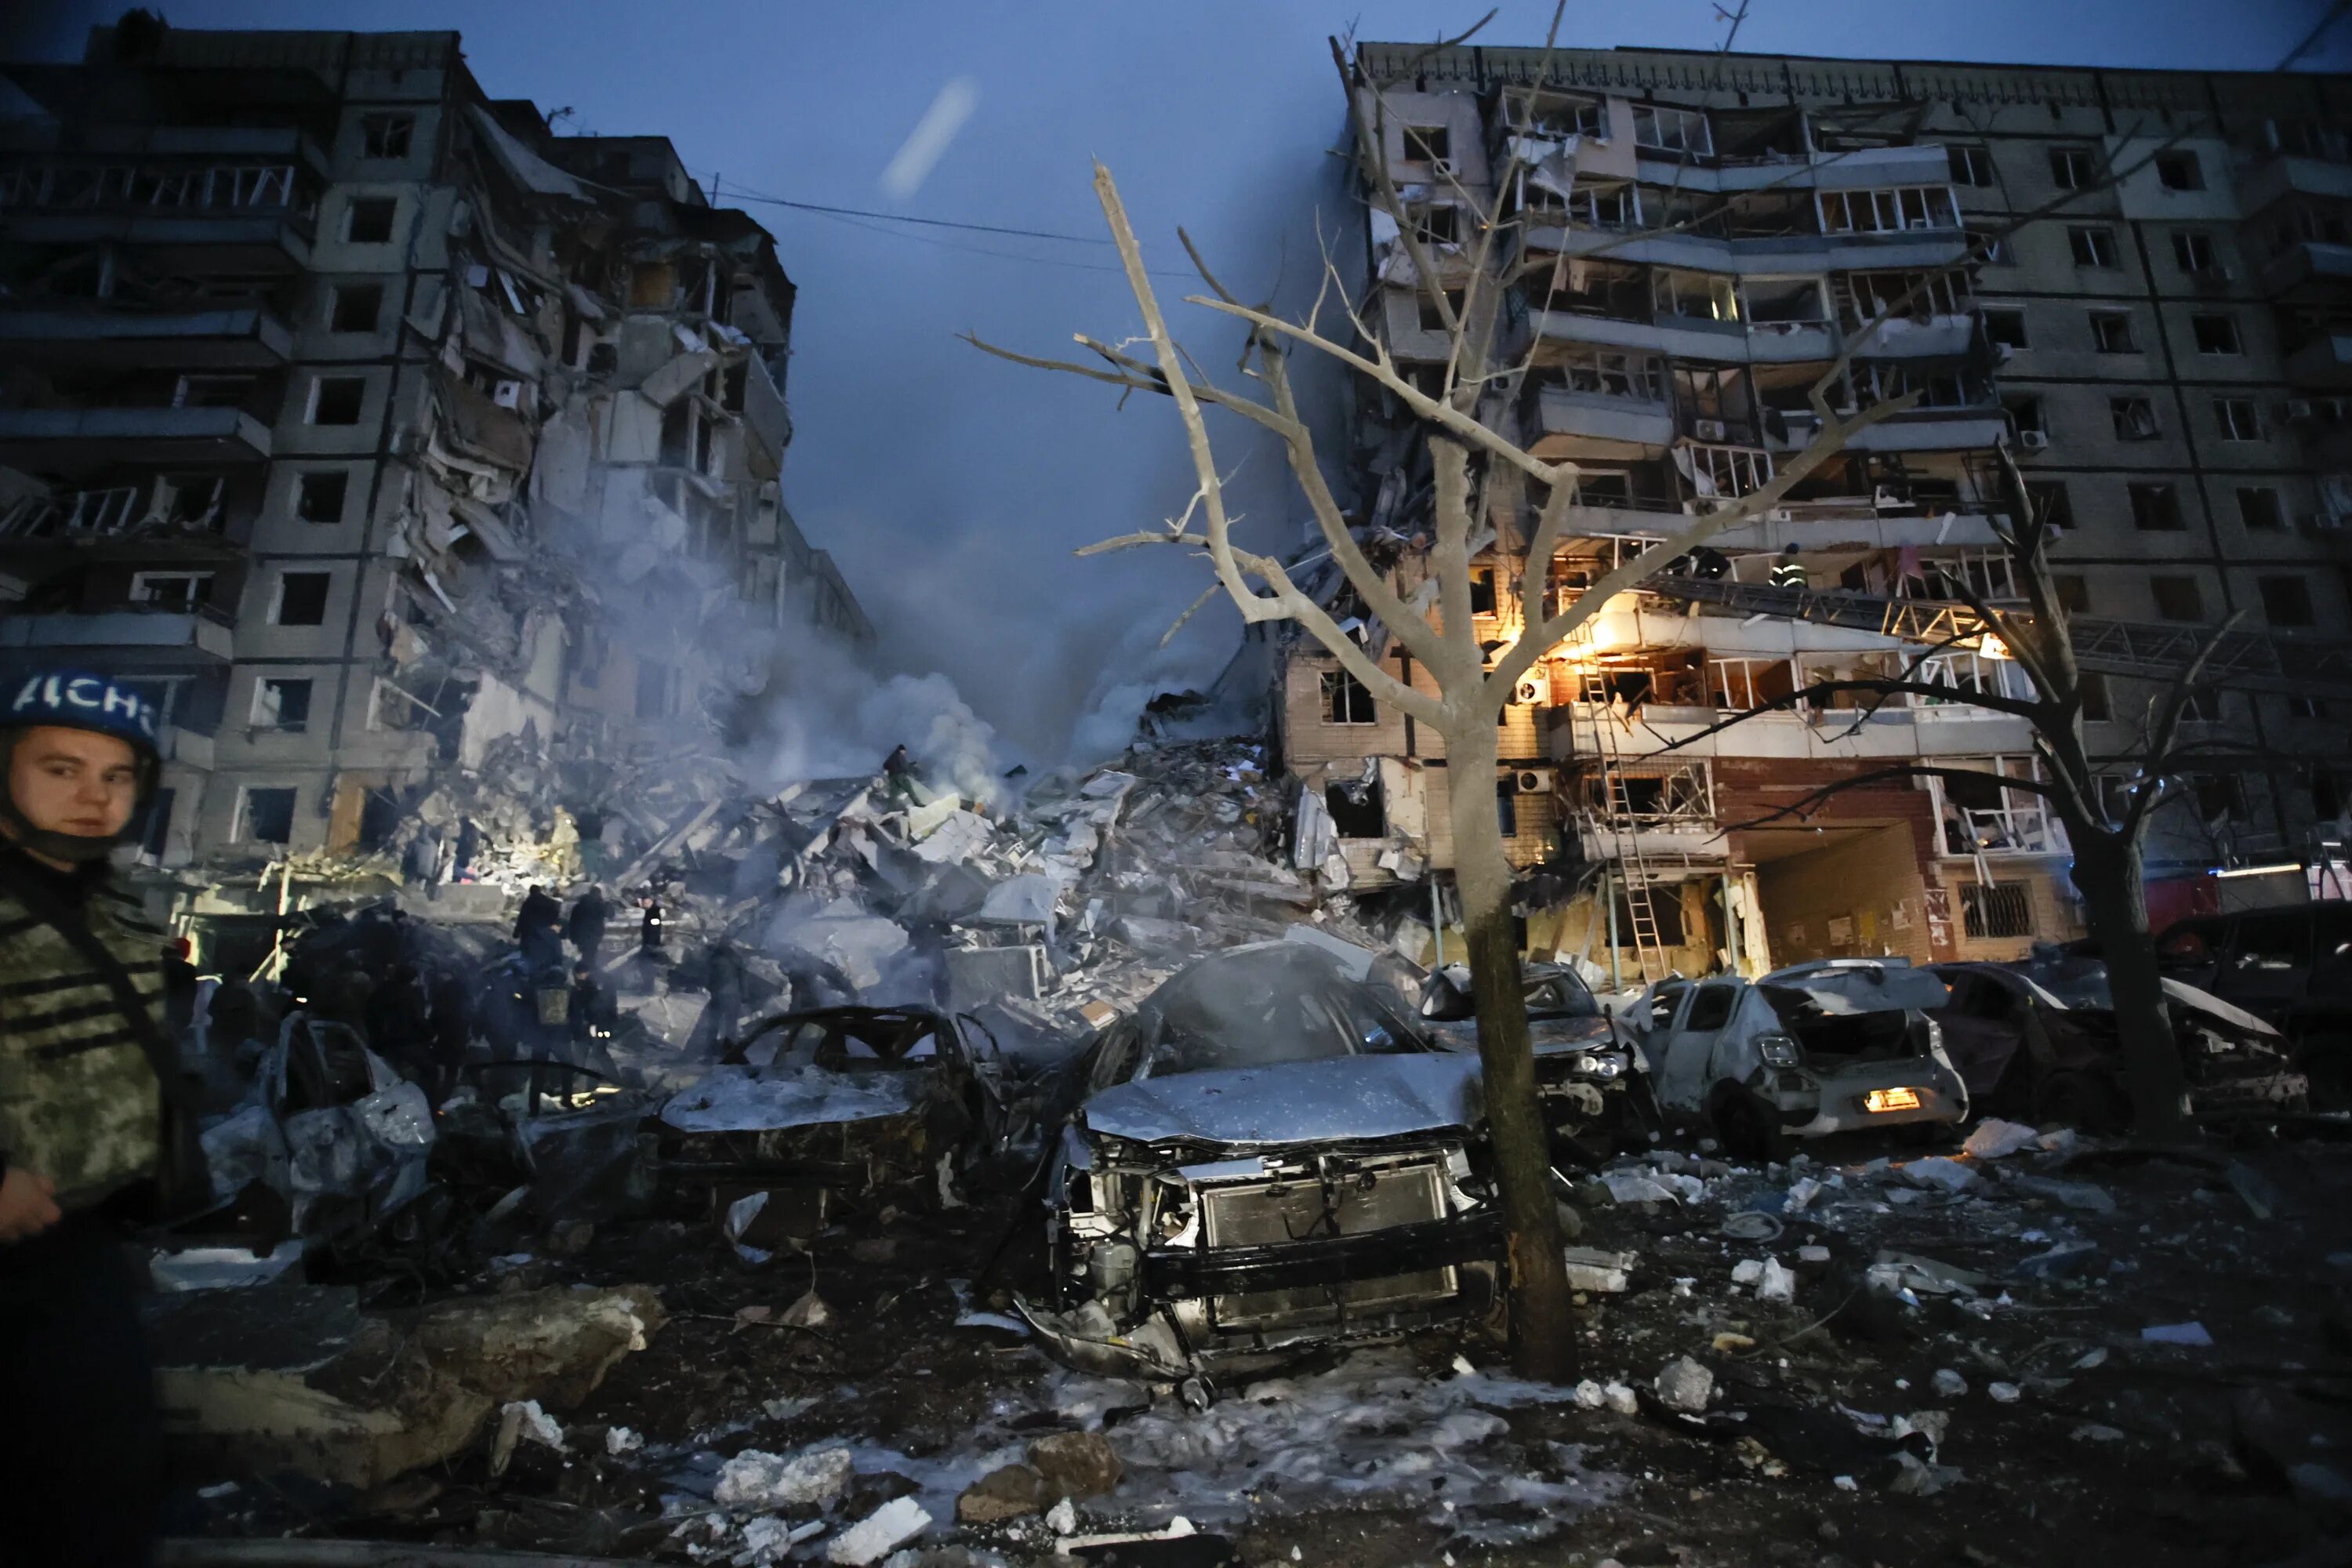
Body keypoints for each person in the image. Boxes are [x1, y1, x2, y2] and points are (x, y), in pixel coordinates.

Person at [0, 667, 205, 1565]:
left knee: (102, 1488)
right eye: (61, 767)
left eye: (117, 777)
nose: (92, 796)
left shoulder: (112, 904)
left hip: (80, 1244)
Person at [514, 884, 563, 971]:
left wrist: (516, 932)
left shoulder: (528, 902)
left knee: (530, 954)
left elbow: (522, 918)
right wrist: (553, 924)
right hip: (546, 930)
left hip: (530, 932)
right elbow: (556, 913)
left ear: (531, 892)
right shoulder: (549, 901)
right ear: (540, 891)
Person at [566, 884, 610, 967]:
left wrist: (573, 937)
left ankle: (583, 972)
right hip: (594, 936)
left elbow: (572, 923)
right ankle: (588, 973)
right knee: (591, 957)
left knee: (584, 956)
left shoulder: (578, 907)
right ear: (599, 894)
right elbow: (609, 913)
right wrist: (604, 902)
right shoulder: (599, 905)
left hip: (580, 936)